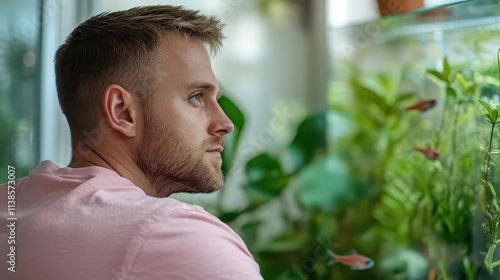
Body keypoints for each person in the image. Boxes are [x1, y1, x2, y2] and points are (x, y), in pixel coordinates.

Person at [0, 5, 263, 280]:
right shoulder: (177, 235)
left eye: (216, 99)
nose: (225, 123)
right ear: (122, 111)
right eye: (196, 97)